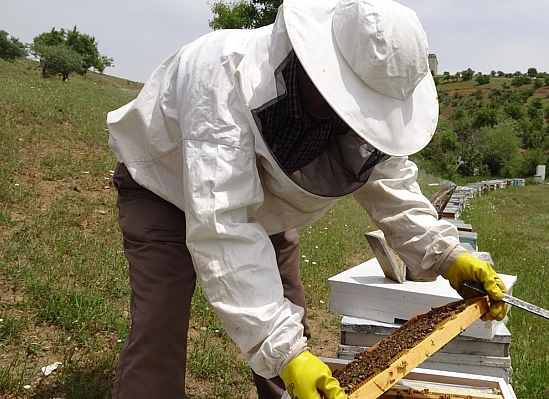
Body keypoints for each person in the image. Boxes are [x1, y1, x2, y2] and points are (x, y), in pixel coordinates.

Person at [106, 0, 509, 398]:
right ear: (318, 66)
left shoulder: (340, 104)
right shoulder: (221, 75)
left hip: (261, 200)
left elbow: (386, 179)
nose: (356, 122)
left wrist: (444, 253)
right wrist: (285, 352)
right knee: (160, 321)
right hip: (162, 183)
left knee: (288, 309)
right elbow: (222, 224)